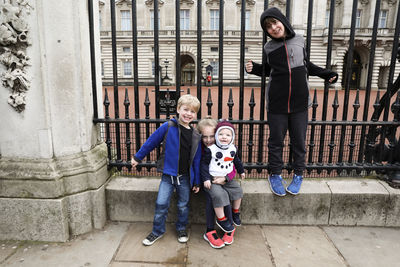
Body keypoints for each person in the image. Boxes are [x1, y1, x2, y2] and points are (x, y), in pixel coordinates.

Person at [245, 7, 338, 196]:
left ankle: (298, 174)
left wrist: (326, 74)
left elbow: (306, 65)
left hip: (300, 102)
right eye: (268, 27)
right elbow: (269, 70)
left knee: (299, 141)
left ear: (283, 21)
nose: (273, 28)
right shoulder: (269, 47)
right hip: (277, 103)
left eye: (275, 22)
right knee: (276, 141)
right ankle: (276, 174)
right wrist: (254, 68)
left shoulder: (300, 40)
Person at [131, 94, 202, 246]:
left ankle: (182, 228)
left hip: (184, 178)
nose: (188, 113)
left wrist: (196, 181)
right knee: (161, 204)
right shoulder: (168, 127)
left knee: (183, 205)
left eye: (192, 111)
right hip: (167, 176)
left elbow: (196, 160)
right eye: (185, 109)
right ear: (178, 109)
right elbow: (151, 141)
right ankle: (157, 231)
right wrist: (138, 157)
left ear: (195, 114)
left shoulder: (196, 135)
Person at [201, 120, 245, 239]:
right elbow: (204, 165)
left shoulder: (233, 148)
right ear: (217, 136)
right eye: (221, 134)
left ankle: (235, 212)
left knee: (238, 191)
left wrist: (241, 171)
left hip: (227, 179)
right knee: (219, 195)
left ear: (232, 137)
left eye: (227, 135)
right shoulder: (211, 149)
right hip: (213, 179)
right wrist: (206, 179)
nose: (224, 137)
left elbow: (236, 161)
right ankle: (221, 220)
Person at [197, 117, 236, 248]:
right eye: (204, 137)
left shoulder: (224, 147)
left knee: (226, 194)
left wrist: (226, 179)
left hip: (222, 180)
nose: (208, 140)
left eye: (212, 136)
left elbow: (233, 167)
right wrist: (198, 182)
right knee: (212, 197)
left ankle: (229, 227)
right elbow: (196, 167)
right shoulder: (200, 149)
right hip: (206, 182)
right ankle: (210, 230)